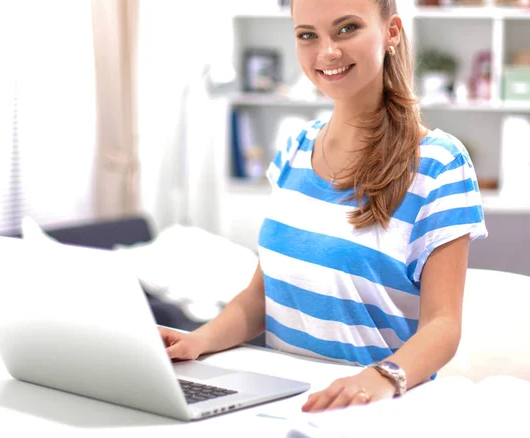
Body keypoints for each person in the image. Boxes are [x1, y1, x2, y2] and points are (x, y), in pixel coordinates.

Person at [158, 0, 487, 412]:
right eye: (308, 35)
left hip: (374, 409)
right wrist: (197, 341)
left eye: (347, 28)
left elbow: (443, 325)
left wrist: (380, 378)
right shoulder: (296, 148)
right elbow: (261, 297)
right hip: (282, 402)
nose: (327, 52)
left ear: (392, 32)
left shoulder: (439, 164)